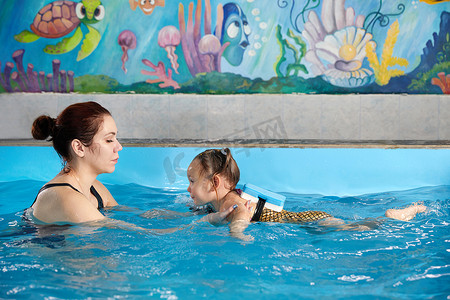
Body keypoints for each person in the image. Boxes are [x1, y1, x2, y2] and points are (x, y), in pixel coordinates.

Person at [186, 148, 427, 237]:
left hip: (305, 220)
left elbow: (240, 215)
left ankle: (393, 218)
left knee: (354, 228)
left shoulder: (231, 199)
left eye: (192, 181)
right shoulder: (213, 204)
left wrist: (237, 232)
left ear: (214, 182)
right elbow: (191, 217)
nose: (189, 188)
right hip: (299, 223)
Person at [27, 101, 122, 224]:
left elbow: (125, 214)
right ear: (79, 148)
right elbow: (124, 231)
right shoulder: (66, 197)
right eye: (109, 140)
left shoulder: (94, 188)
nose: (119, 147)